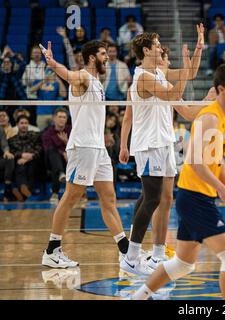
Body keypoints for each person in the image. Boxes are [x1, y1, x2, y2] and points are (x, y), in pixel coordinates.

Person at [131, 64, 225, 300]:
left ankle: (137, 297)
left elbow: (217, 158)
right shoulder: (210, 116)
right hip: (194, 198)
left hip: (195, 197)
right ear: (221, 89)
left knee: (183, 264)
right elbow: (194, 161)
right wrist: (222, 189)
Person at [119, 26, 205, 275]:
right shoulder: (143, 77)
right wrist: (124, 144)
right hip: (149, 143)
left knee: (161, 198)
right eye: (156, 45)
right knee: (153, 198)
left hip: (164, 142)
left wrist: (198, 48)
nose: (160, 48)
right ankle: (132, 256)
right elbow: (172, 95)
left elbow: (191, 73)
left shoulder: (159, 71)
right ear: (146, 50)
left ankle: (155, 255)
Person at [40, 40, 130, 268]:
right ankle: (52, 250)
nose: (107, 57)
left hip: (98, 149)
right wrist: (52, 64)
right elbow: (69, 75)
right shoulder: (83, 77)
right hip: (83, 148)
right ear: (91, 58)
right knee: (72, 196)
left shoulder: (98, 82)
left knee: (109, 198)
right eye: (103, 54)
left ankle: (126, 252)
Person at [7, 115, 42, 201]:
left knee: (31, 167)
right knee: (20, 166)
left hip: (33, 160)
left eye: (26, 123)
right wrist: (21, 155)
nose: (24, 125)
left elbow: (40, 148)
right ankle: (24, 190)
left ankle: (22, 193)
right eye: (22, 123)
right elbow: (12, 152)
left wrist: (30, 157)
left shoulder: (35, 135)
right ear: (17, 125)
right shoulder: (12, 139)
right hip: (19, 162)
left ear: (28, 125)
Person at [41, 108, 71, 204]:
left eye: (64, 117)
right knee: (53, 154)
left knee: (56, 169)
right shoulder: (47, 132)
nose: (62, 119)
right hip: (51, 160)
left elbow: (77, 147)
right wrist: (63, 152)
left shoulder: (71, 130)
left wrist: (66, 142)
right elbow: (47, 149)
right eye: (60, 117)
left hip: (69, 159)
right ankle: (61, 173)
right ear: (54, 118)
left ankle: (55, 193)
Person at [0, 125, 15, 201]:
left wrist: (6, 152)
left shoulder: (0, 129)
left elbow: (4, 143)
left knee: (10, 158)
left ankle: (7, 190)